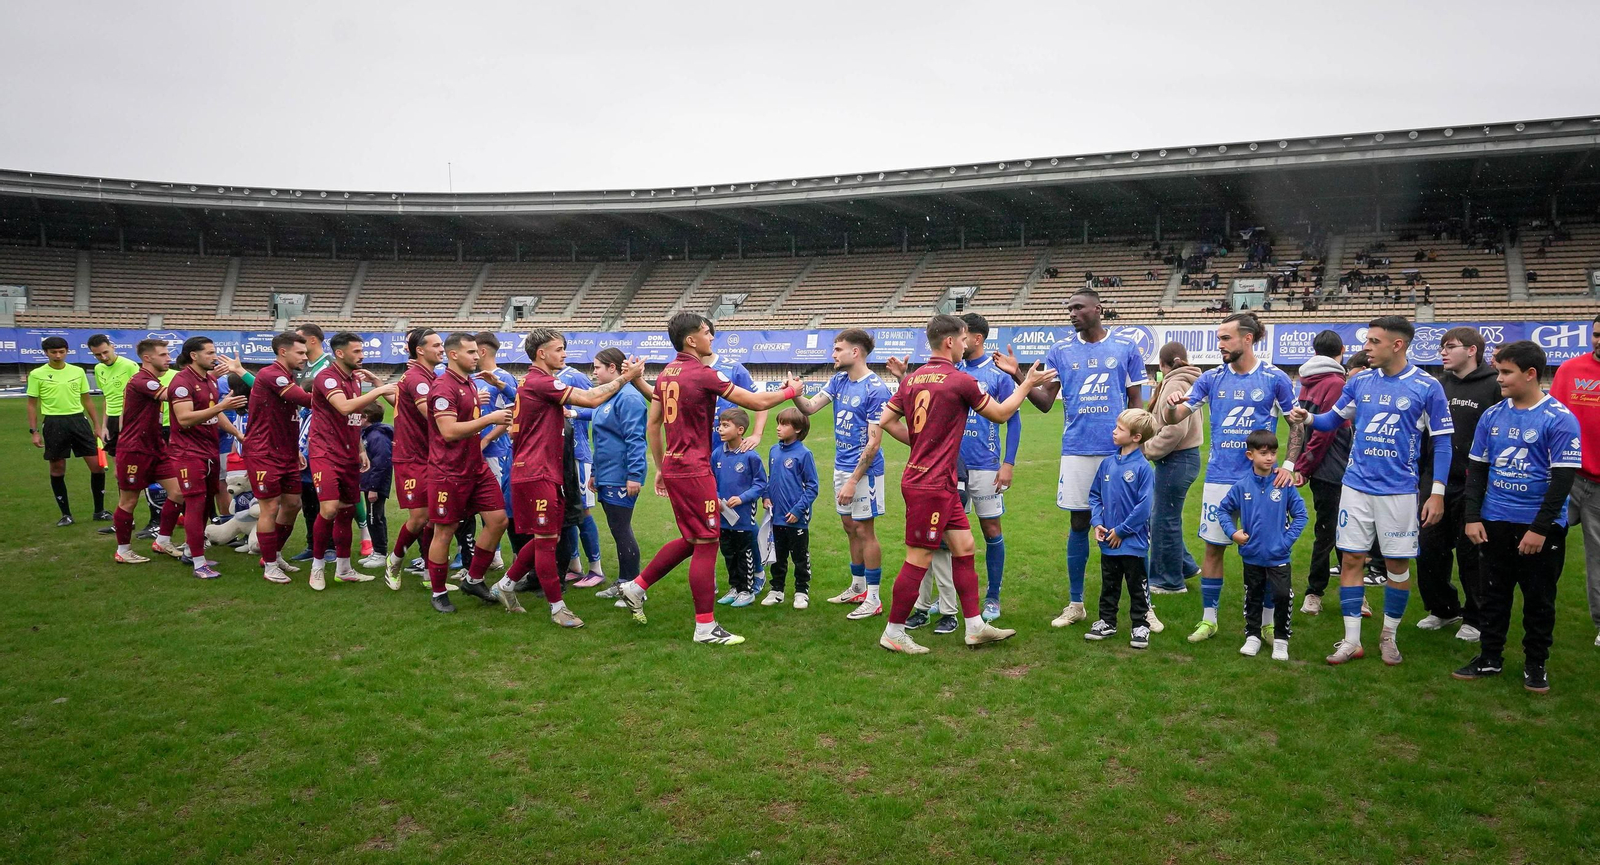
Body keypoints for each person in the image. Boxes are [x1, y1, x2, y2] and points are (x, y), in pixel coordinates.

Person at [875, 314, 1055, 654]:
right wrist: (1027, 383)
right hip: (931, 484)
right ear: (949, 342)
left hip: (937, 480)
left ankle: (975, 627)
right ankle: (893, 632)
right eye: (961, 339)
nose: (963, 345)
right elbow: (1001, 414)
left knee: (965, 546)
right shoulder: (960, 380)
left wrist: (923, 445)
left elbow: (886, 420)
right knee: (919, 557)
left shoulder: (912, 378)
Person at [617, 313, 801, 645]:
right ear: (691, 340)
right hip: (695, 469)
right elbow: (755, 401)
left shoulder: (666, 374)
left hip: (675, 467)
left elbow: (653, 425)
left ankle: (636, 586)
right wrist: (791, 391)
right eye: (706, 332)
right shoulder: (703, 373)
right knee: (706, 541)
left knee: (692, 538)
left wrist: (660, 467)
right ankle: (705, 627)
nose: (711, 337)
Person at [1290, 315, 1454, 666]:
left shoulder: (1427, 386)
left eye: (1374, 341)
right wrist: (1308, 418)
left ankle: (1388, 636)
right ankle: (1351, 641)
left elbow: (1442, 443)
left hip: (1399, 491)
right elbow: (1332, 419)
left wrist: (1437, 492)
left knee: (1396, 564)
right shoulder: (1360, 381)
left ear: (1398, 344)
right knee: (1351, 559)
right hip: (1356, 487)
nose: (1366, 347)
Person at [993, 288, 1147, 628]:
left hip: (1116, 452)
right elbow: (1045, 402)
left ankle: (1143, 607)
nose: (1072, 314)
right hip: (1077, 450)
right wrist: (1018, 375)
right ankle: (1076, 603)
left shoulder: (1125, 347)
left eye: (1078, 308)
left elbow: (1137, 402)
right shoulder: (1060, 350)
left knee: (1130, 525)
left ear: (1098, 309)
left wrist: (1137, 446)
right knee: (1079, 523)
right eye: (1069, 309)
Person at [1162, 312, 1302, 644]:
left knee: (1267, 553)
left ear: (1247, 339)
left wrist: (1289, 465)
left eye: (1226, 338)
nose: (1220, 345)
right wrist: (1170, 406)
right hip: (1220, 478)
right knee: (1213, 549)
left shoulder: (1274, 378)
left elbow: (1296, 423)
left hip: (1263, 481)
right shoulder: (1211, 378)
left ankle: (1267, 624)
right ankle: (1209, 620)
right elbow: (1175, 417)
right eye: (1219, 339)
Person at [1454, 340, 1582, 693]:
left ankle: (1536, 663)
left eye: (1506, 372)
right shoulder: (1492, 415)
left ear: (1530, 374)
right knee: (1493, 595)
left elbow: (1562, 481)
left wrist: (1540, 528)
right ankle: (1490, 657)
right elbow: (1477, 471)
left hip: (1538, 528)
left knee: (1539, 600)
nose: (1499, 378)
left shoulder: (1559, 418)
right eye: (1498, 371)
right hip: (1494, 521)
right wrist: (1472, 516)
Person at [496, 328, 642, 626]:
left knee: (549, 535)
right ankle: (557, 608)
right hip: (537, 472)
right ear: (541, 353)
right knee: (547, 540)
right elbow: (589, 398)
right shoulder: (542, 381)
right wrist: (627, 377)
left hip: (545, 470)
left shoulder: (532, 382)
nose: (564, 354)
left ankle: (505, 584)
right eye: (559, 349)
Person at [788, 328, 893, 619]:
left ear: (855, 352)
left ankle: (873, 598)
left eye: (838, 349)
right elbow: (809, 408)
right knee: (849, 527)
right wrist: (796, 394)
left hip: (865, 472)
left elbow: (874, 442)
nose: (833, 354)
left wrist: (854, 480)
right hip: (841, 466)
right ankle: (857, 587)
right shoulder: (839, 380)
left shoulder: (875, 389)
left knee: (865, 530)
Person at [1416, 326, 1500, 641]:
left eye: (1450, 346)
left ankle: (1475, 617)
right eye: (1443, 347)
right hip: (1436, 481)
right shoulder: (1439, 385)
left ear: (1472, 350)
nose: (1443, 352)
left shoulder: (1493, 386)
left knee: (1471, 554)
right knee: (1429, 549)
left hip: (1474, 483)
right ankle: (1443, 609)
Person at [422, 333, 516, 613]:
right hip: (448, 471)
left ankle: (473, 579)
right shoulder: (443, 387)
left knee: (498, 520)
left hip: (475, 466)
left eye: (477, 351)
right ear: (454, 355)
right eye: (471, 352)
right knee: (445, 530)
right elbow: (449, 431)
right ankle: (439, 592)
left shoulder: (469, 383)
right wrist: (489, 418)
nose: (477, 356)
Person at [305, 332, 397, 591]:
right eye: (356, 351)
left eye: (362, 350)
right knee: (329, 509)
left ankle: (344, 569)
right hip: (325, 453)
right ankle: (317, 567)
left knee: (346, 511)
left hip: (348, 454)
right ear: (340, 353)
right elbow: (344, 407)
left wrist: (360, 449)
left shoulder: (354, 380)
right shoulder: (327, 377)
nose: (362, 355)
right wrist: (379, 390)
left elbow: (353, 419)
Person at [1217, 429, 1309, 661]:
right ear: (1250, 455)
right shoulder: (1242, 486)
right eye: (1264, 453)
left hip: (1278, 556)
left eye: (1273, 453)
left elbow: (1301, 515)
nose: (1269, 458)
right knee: (1253, 595)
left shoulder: (1284, 483)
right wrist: (1233, 533)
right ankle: (1252, 636)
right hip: (1252, 555)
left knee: (1282, 596)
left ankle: (1281, 640)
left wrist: (1285, 541)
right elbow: (1223, 510)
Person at [956, 313, 1021, 622]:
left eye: (963, 335)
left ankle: (993, 597)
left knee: (991, 529)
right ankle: (948, 598)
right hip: (952, 466)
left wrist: (1008, 463)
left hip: (985, 466)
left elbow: (1014, 421)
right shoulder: (953, 369)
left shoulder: (998, 375)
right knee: (948, 533)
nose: (958, 340)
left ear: (977, 338)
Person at [166, 336, 248, 578]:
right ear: (194, 355)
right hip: (188, 453)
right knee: (195, 504)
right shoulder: (181, 383)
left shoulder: (209, 380)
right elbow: (184, 418)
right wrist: (221, 406)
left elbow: (213, 415)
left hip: (209, 450)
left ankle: (191, 552)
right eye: (210, 353)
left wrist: (238, 434)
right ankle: (199, 563)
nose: (214, 357)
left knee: (203, 506)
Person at [243, 332, 314, 584]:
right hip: (264, 453)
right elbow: (305, 399)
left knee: (293, 504)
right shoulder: (272, 374)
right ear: (283, 352)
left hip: (285, 452)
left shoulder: (287, 376)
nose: (305, 357)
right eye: (300, 352)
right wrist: (339, 397)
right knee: (270, 507)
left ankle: (274, 554)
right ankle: (270, 565)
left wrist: (294, 450)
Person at [1084, 408, 1157, 649]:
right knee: (1109, 584)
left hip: (1133, 543)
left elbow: (1144, 507)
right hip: (1109, 541)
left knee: (1137, 586)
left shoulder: (1143, 468)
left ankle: (1140, 625)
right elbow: (1095, 495)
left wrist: (1122, 531)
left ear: (1136, 437)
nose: (1114, 431)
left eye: (1120, 429)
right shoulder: (1107, 464)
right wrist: (1097, 523)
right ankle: (1107, 621)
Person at [1548, 314, 1600, 648]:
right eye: (1596, 334)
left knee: (1598, 558)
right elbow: (1551, 417)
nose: (1599, 341)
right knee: (1536, 541)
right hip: (1566, 477)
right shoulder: (1570, 370)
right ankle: (1535, 610)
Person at [108, 338, 183, 564]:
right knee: (129, 501)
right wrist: (198, 379)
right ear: (147, 358)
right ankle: (123, 550)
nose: (168, 358)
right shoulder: (142, 380)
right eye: (163, 355)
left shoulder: (151, 380)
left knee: (179, 492)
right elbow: (169, 395)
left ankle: (162, 540)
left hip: (156, 447)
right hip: (135, 450)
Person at [383, 328, 446, 591]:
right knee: (420, 517)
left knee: (435, 517)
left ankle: (430, 573)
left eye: (442, 344)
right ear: (420, 350)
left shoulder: (429, 376)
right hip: (412, 457)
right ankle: (394, 560)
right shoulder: (418, 378)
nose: (442, 349)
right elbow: (432, 416)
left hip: (431, 455)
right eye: (436, 345)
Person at [1296, 332, 1353, 612]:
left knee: (1333, 530)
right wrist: (1305, 465)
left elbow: (1301, 427)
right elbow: (1324, 432)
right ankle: (1315, 592)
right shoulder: (1336, 383)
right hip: (1335, 467)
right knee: (1336, 531)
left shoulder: (1306, 380)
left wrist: (1302, 465)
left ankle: (1350, 592)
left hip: (1319, 467)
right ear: (1342, 349)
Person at [706, 345, 768, 594]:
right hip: (704, 459)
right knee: (709, 523)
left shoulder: (732, 368)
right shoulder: (686, 370)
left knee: (743, 523)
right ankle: (711, 578)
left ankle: (757, 572)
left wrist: (757, 434)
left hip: (735, 460)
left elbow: (761, 402)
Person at [27, 336, 107, 527]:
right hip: (54, 423)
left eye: (61, 352)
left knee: (97, 467)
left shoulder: (77, 371)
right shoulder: (37, 374)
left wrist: (97, 425)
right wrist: (34, 431)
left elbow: (87, 400)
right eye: (53, 352)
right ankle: (66, 514)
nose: (58, 355)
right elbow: (31, 405)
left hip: (78, 421)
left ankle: (99, 511)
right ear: (46, 353)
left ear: (67, 351)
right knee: (57, 468)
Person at [589, 347, 649, 600]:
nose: (593, 372)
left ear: (612, 368)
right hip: (606, 474)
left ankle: (633, 587)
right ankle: (624, 582)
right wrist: (595, 472)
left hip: (621, 476)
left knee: (622, 529)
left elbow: (636, 439)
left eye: (597, 367)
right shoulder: (608, 396)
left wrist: (634, 474)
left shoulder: (629, 398)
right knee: (617, 529)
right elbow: (601, 439)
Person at [1143, 342, 1202, 594]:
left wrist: (1147, 449)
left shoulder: (1174, 383)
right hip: (1184, 459)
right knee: (1165, 516)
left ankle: (1168, 581)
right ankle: (1185, 566)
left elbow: (1175, 430)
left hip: (1176, 458)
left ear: (1161, 365)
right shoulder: (1188, 381)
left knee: (1163, 519)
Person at [554, 361, 605, 586]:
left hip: (577, 454)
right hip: (558, 455)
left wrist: (572, 412)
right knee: (566, 512)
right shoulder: (545, 379)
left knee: (583, 510)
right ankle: (574, 565)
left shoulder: (575, 377)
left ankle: (596, 569)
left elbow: (596, 408)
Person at [762, 407, 818, 608]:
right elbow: (770, 478)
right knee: (777, 556)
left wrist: (797, 510)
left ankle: (801, 591)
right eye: (778, 423)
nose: (778, 428)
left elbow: (812, 487)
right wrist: (766, 496)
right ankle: (776, 590)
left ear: (797, 429)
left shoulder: (804, 454)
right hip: (776, 516)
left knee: (800, 557)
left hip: (796, 518)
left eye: (784, 424)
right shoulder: (774, 450)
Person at [472, 332, 519, 572]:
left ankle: (505, 555)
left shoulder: (503, 377)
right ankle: (491, 554)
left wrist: (487, 439)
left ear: (482, 351)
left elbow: (511, 416)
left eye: (473, 350)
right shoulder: (473, 378)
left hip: (496, 452)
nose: (472, 355)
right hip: (475, 451)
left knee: (500, 506)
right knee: (483, 505)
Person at [712, 408, 768, 607]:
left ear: (740, 430)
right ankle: (735, 587)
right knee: (729, 553)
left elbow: (761, 484)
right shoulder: (717, 454)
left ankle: (747, 590)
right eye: (720, 425)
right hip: (723, 516)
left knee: (745, 553)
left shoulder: (750, 456)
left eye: (726, 425)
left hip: (743, 516)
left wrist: (742, 498)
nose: (720, 429)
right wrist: (716, 497)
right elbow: (711, 480)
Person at [88, 334, 140, 534]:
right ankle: (125, 519)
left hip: (131, 421)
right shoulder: (99, 369)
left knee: (138, 470)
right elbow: (107, 398)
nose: (103, 357)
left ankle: (156, 518)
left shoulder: (129, 366)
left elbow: (139, 396)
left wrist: (128, 422)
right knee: (120, 472)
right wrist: (104, 425)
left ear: (113, 346)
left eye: (105, 352)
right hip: (112, 422)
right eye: (97, 355)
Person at [360, 402, 392, 565]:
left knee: (374, 517)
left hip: (376, 485)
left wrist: (374, 488)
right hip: (370, 483)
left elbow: (382, 463)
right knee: (373, 516)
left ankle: (380, 552)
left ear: (366, 417)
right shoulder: (369, 434)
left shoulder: (377, 436)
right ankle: (377, 551)